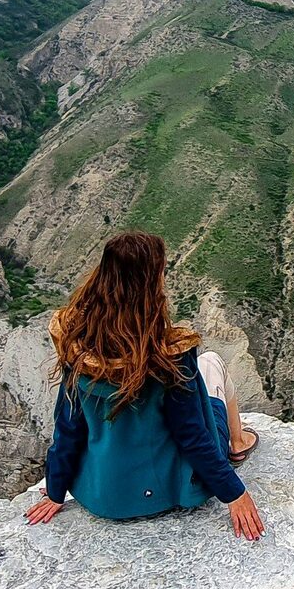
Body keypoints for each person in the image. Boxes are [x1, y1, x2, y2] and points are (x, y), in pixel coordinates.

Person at [23, 231, 265, 540]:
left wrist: (55, 491)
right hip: (167, 487)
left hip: (105, 496)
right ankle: (238, 443)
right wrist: (234, 493)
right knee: (213, 363)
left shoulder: (78, 346)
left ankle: (236, 443)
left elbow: (68, 428)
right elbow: (191, 435)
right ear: (151, 281)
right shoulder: (169, 355)